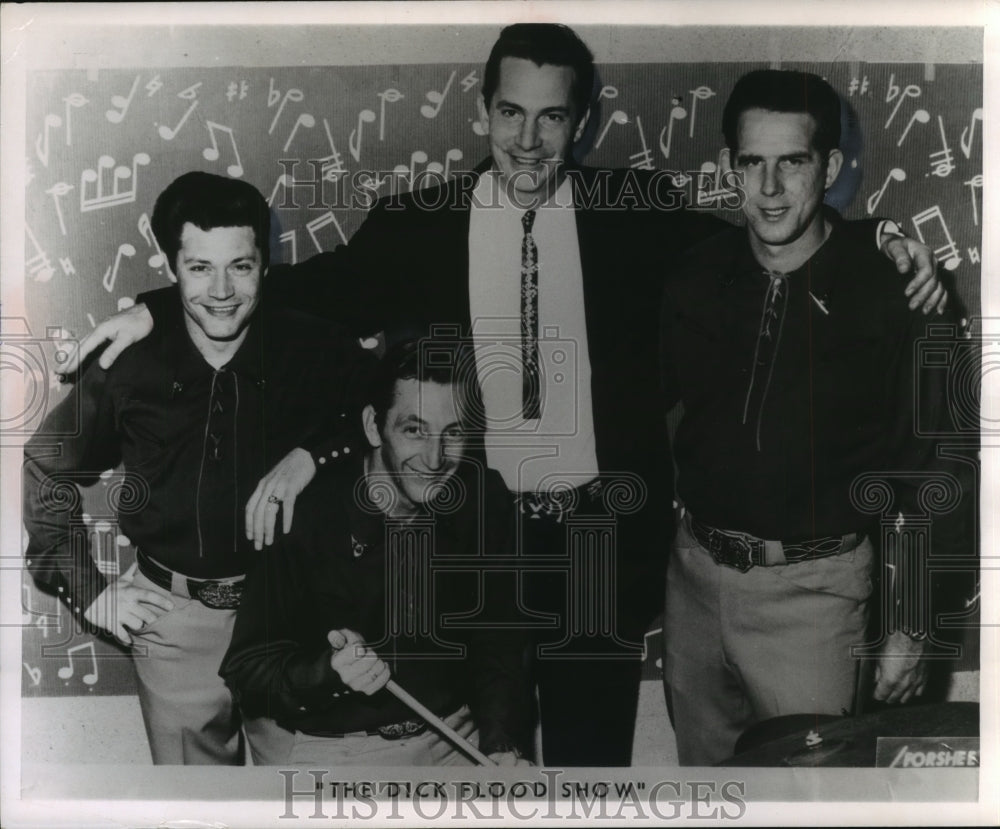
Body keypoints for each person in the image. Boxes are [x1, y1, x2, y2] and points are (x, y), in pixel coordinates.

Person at [59, 24, 944, 767]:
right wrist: (151, 307)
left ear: (581, 120)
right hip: (465, 536)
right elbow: (291, 290)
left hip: (600, 539)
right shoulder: (417, 227)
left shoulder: (636, 213)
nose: (528, 140)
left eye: (552, 116)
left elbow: (772, 232)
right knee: (485, 758)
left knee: (592, 761)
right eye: (510, 113)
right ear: (483, 111)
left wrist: (888, 247)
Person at [659, 69, 961, 766]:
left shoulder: (896, 294)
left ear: (828, 166)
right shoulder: (694, 276)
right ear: (727, 167)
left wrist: (910, 624)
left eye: (791, 162)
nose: (768, 189)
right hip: (696, 584)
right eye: (751, 162)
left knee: (813, 803)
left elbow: (931, 470)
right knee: (710, 801)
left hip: (816, 598)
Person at [22, 171, 372, 765]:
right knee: (195, 803)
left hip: (293, 619)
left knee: (293, 799)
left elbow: (391, 414)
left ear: (266, 263)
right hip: (174, 623)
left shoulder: (315, 348)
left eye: (240, 266)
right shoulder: (126, 364)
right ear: (171, 265)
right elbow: (46, 467)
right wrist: (90, 592)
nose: (222, 290)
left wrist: (311, 456)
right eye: (199, 268)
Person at [220, 339, 532, 766]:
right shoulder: (303, 515)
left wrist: (500, 742)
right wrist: (328, 671)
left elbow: (499, 640)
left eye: (453, 432)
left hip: (453, 739)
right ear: (372, 427)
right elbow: (247, 671)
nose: (435, 457)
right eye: (413, 429)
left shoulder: (484, 498)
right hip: (332, 747)